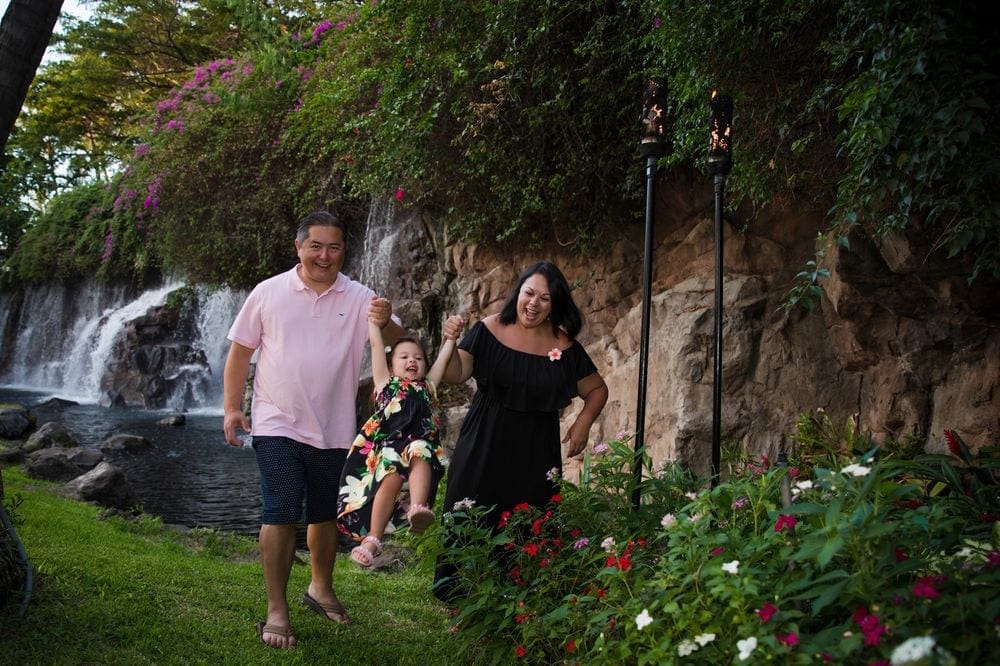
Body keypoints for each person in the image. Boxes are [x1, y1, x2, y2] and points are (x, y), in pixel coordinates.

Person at [223, 210, 404, 649]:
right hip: (276, 422)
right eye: (316, 246)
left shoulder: (359, 295)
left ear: (344, 250)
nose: (325, 255)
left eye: (335, 247)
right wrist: (232, 409)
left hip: (337, 428)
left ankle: (320, 587)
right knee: (281, 511)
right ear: (299, 247)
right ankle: (276, 609)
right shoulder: (268, 292)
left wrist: (387, 315)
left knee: (324, 515)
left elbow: (397, 339)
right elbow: (240, 353)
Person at [432, 260, 609, 601]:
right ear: (518, 292)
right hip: (484, 440)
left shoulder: (565, 348)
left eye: (544, 298)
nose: (533, 303)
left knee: (531, 522)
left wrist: (582, 424)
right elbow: (456, 373)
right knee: (467, 513)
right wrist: (449, 343)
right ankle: (459, 600)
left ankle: (521, 599)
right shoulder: (489, 329)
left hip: (536, 449)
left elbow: (597, 390)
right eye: (529, 293)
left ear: (555, 304)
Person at [337, 314, 463, 567]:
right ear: (391, 364)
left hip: (420, 444)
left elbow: (442, 360)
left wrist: (451, 337)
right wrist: (373, 322)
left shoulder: (427, 387)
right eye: (404, 357)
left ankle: (417, 508)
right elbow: (375, 346)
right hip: (389, 446)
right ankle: (373, 539)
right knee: (390, 477)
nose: (412, 361)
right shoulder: (386, 383)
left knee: (420, 452)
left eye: (417, 358)